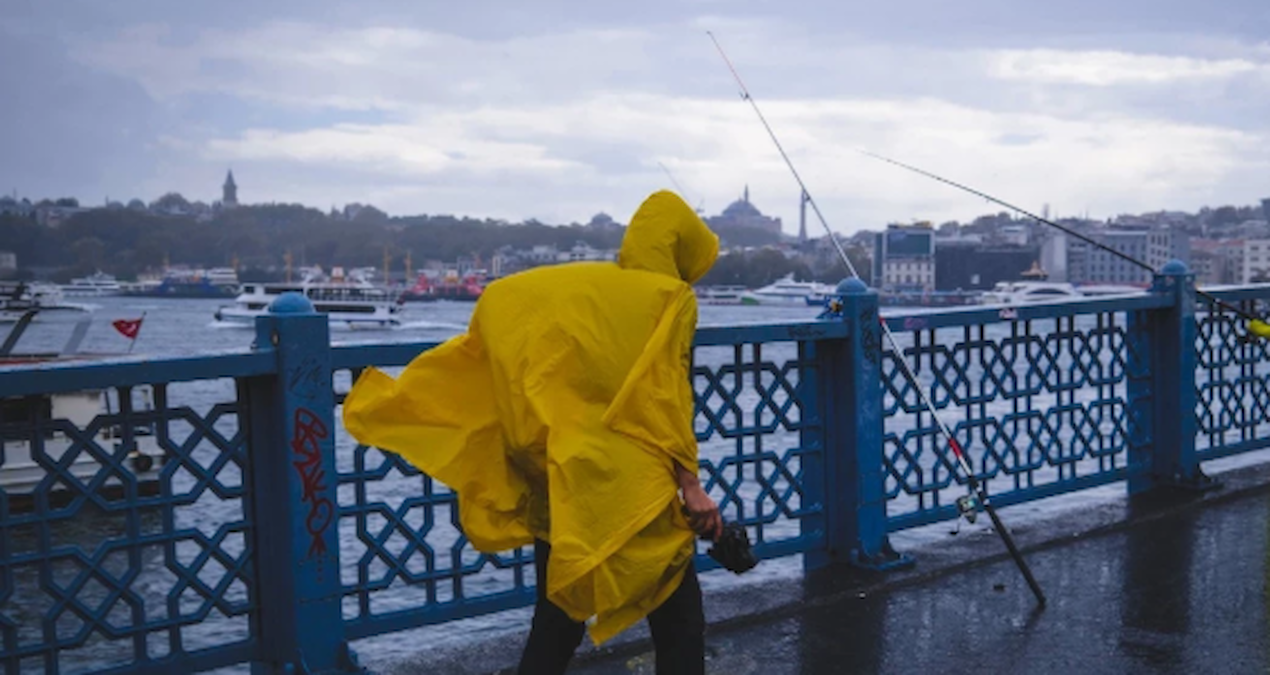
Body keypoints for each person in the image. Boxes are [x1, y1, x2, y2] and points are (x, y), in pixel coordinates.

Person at [343, 190, 722, 674]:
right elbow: (666, 400)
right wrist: (691, 486)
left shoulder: (583, 288)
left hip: (559, 470)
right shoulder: (671, 300)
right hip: (630, 485)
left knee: (558, 613)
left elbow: (520, 326)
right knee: (677, 614)